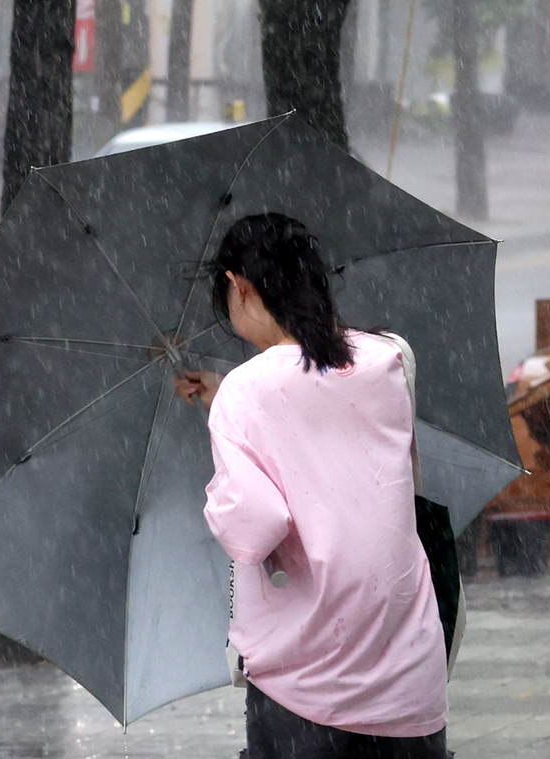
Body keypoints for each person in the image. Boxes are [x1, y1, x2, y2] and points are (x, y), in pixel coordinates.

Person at [175, 213, 450, 758]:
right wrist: (227, 393)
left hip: (304, 686)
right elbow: (330, 418)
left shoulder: (244, 397)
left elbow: (253, 530)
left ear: (239, 286)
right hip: (409, 682)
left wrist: (218, 483)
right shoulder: (388, 358)